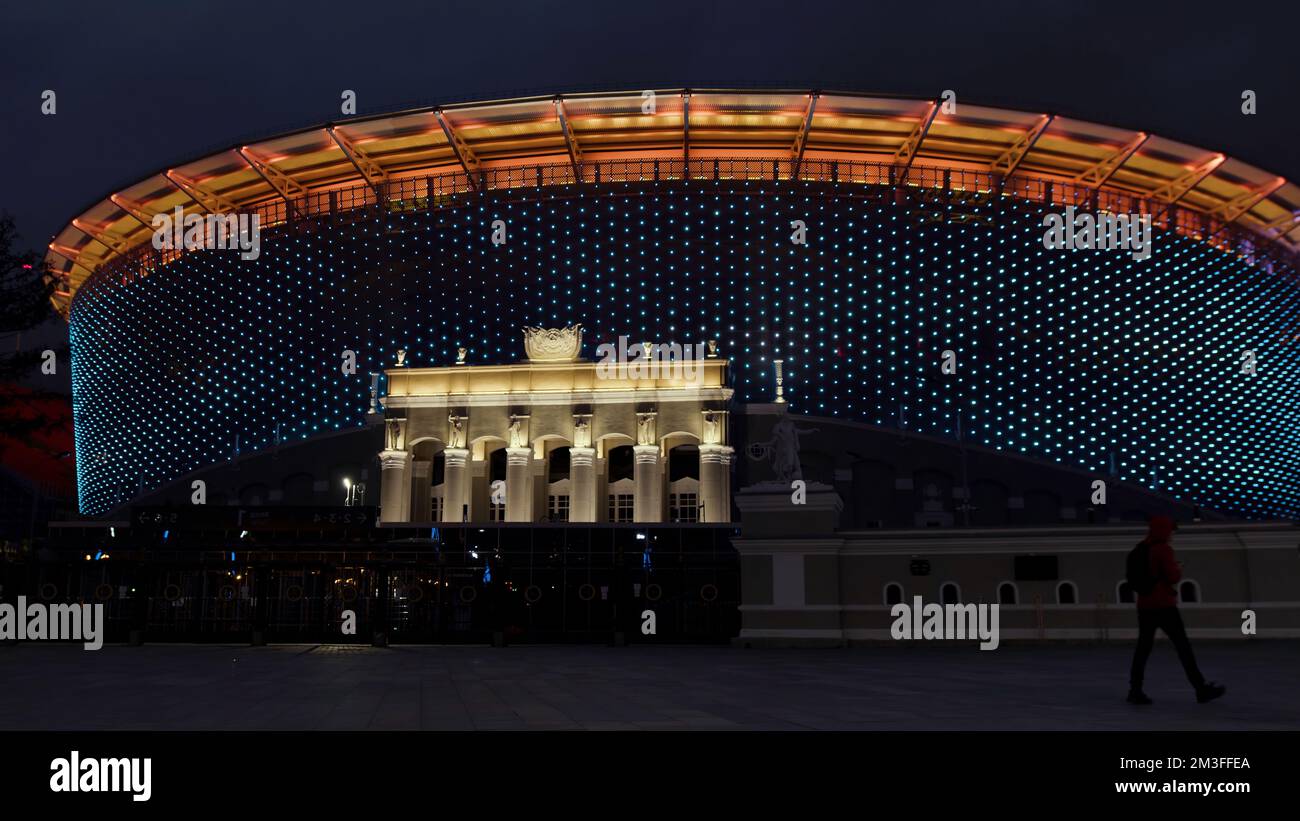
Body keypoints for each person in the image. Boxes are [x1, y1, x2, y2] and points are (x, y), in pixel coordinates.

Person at [1127, 514, 1226, 705]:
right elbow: (1172, 577)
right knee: (1183, 648)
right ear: (1164, 530)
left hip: (1145, 605)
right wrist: (1178, 569)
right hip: (1164, 605)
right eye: (1171, 530)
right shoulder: (1163, 549)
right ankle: (1200, 689)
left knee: (1143, 649)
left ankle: (1135, 689)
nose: (1172, 534)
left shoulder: (1140, 549)